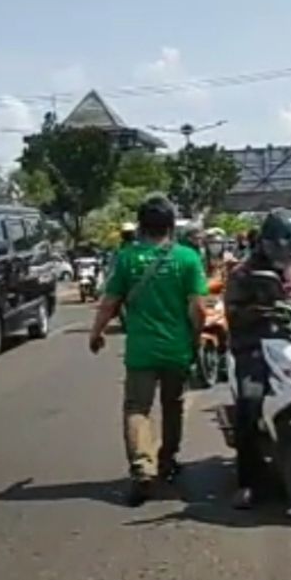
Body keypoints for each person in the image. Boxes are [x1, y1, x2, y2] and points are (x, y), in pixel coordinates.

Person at [89, 193, 208, 506]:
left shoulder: (127, 258)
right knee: (173, 405)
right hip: (177, 349)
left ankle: (143, 467)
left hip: (141, 351)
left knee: (137, 409)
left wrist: (96, 333)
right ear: (171, 226)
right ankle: (167, 460)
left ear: (141, 226)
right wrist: (196, 338)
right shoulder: (188, 258)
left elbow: (109, 303)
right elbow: (198, 308)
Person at [223, 209, 291, 509]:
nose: (286, 256)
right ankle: (247, 480)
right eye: (279, 248)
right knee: (251, 401)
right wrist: (258, 311)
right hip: (254, 346)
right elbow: (232, 315)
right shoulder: (243, 274)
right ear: (264, 244)